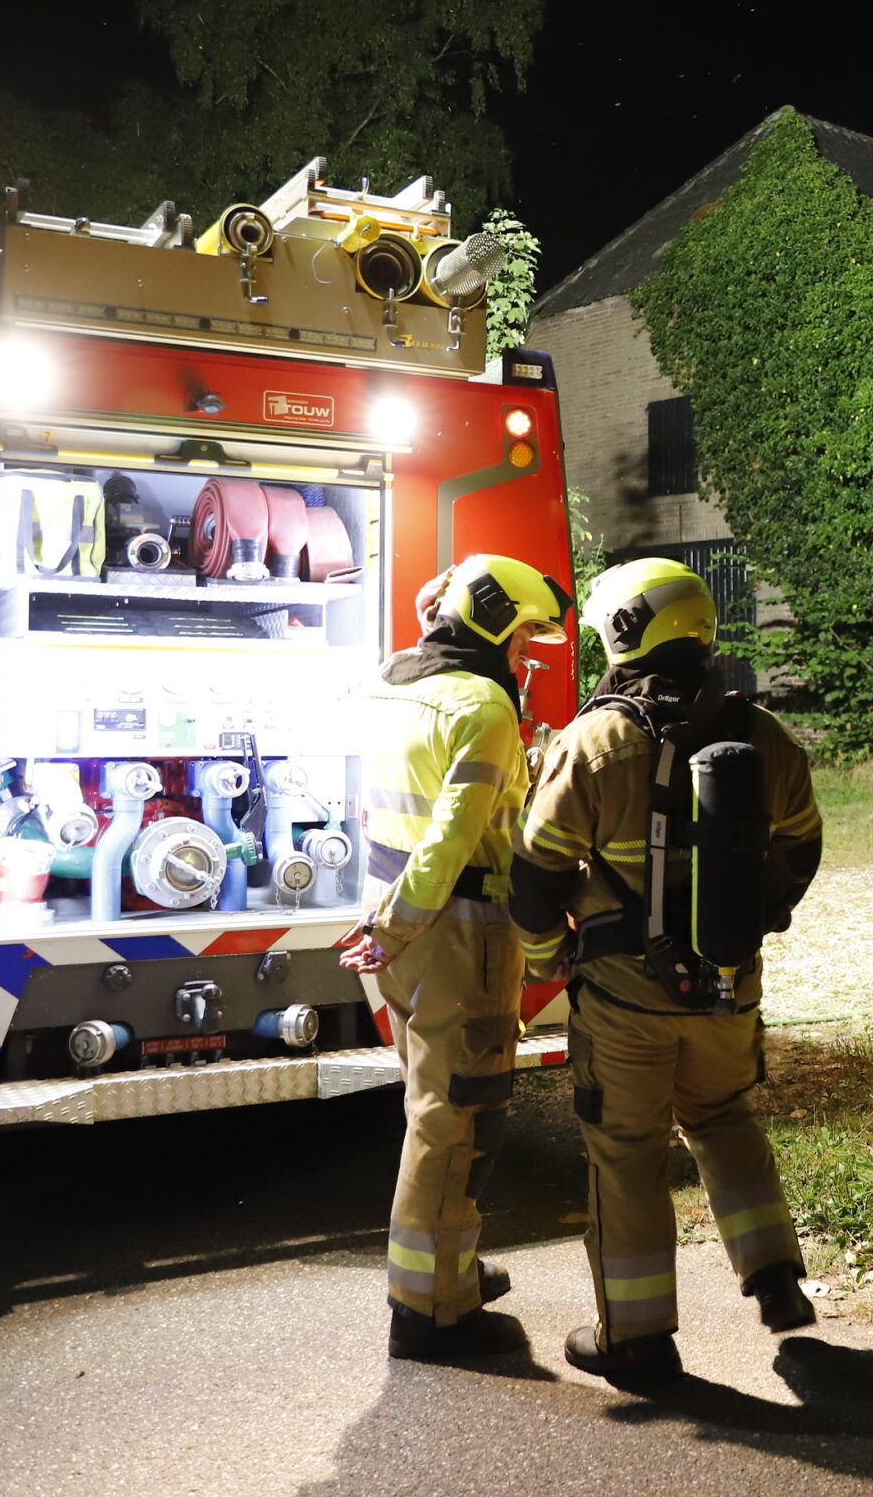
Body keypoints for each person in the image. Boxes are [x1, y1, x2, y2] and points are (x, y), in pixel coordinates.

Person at [509, 558, 825, 1383]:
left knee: (628, 1150)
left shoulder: (598, 740)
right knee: (722, 1116)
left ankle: (638, 1337)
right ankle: (776, 1275)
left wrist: (547, 961)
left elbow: (537, 874)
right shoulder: (765, 737)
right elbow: (803, 845)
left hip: (625, 998)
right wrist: (757, 918)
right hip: (729, 986)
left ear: (623, 634)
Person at [344, 554, 574, 1360]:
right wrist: (405, 921)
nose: (524, 660)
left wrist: (386, 925)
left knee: (428, 1099)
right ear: (488, 623)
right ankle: (431, 1307)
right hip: (456, 931)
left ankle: (453, 1268)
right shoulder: (481, 704)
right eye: (520, 641)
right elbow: (452, 833)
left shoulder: (393, 676)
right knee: (457, 1112)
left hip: (394, 922)